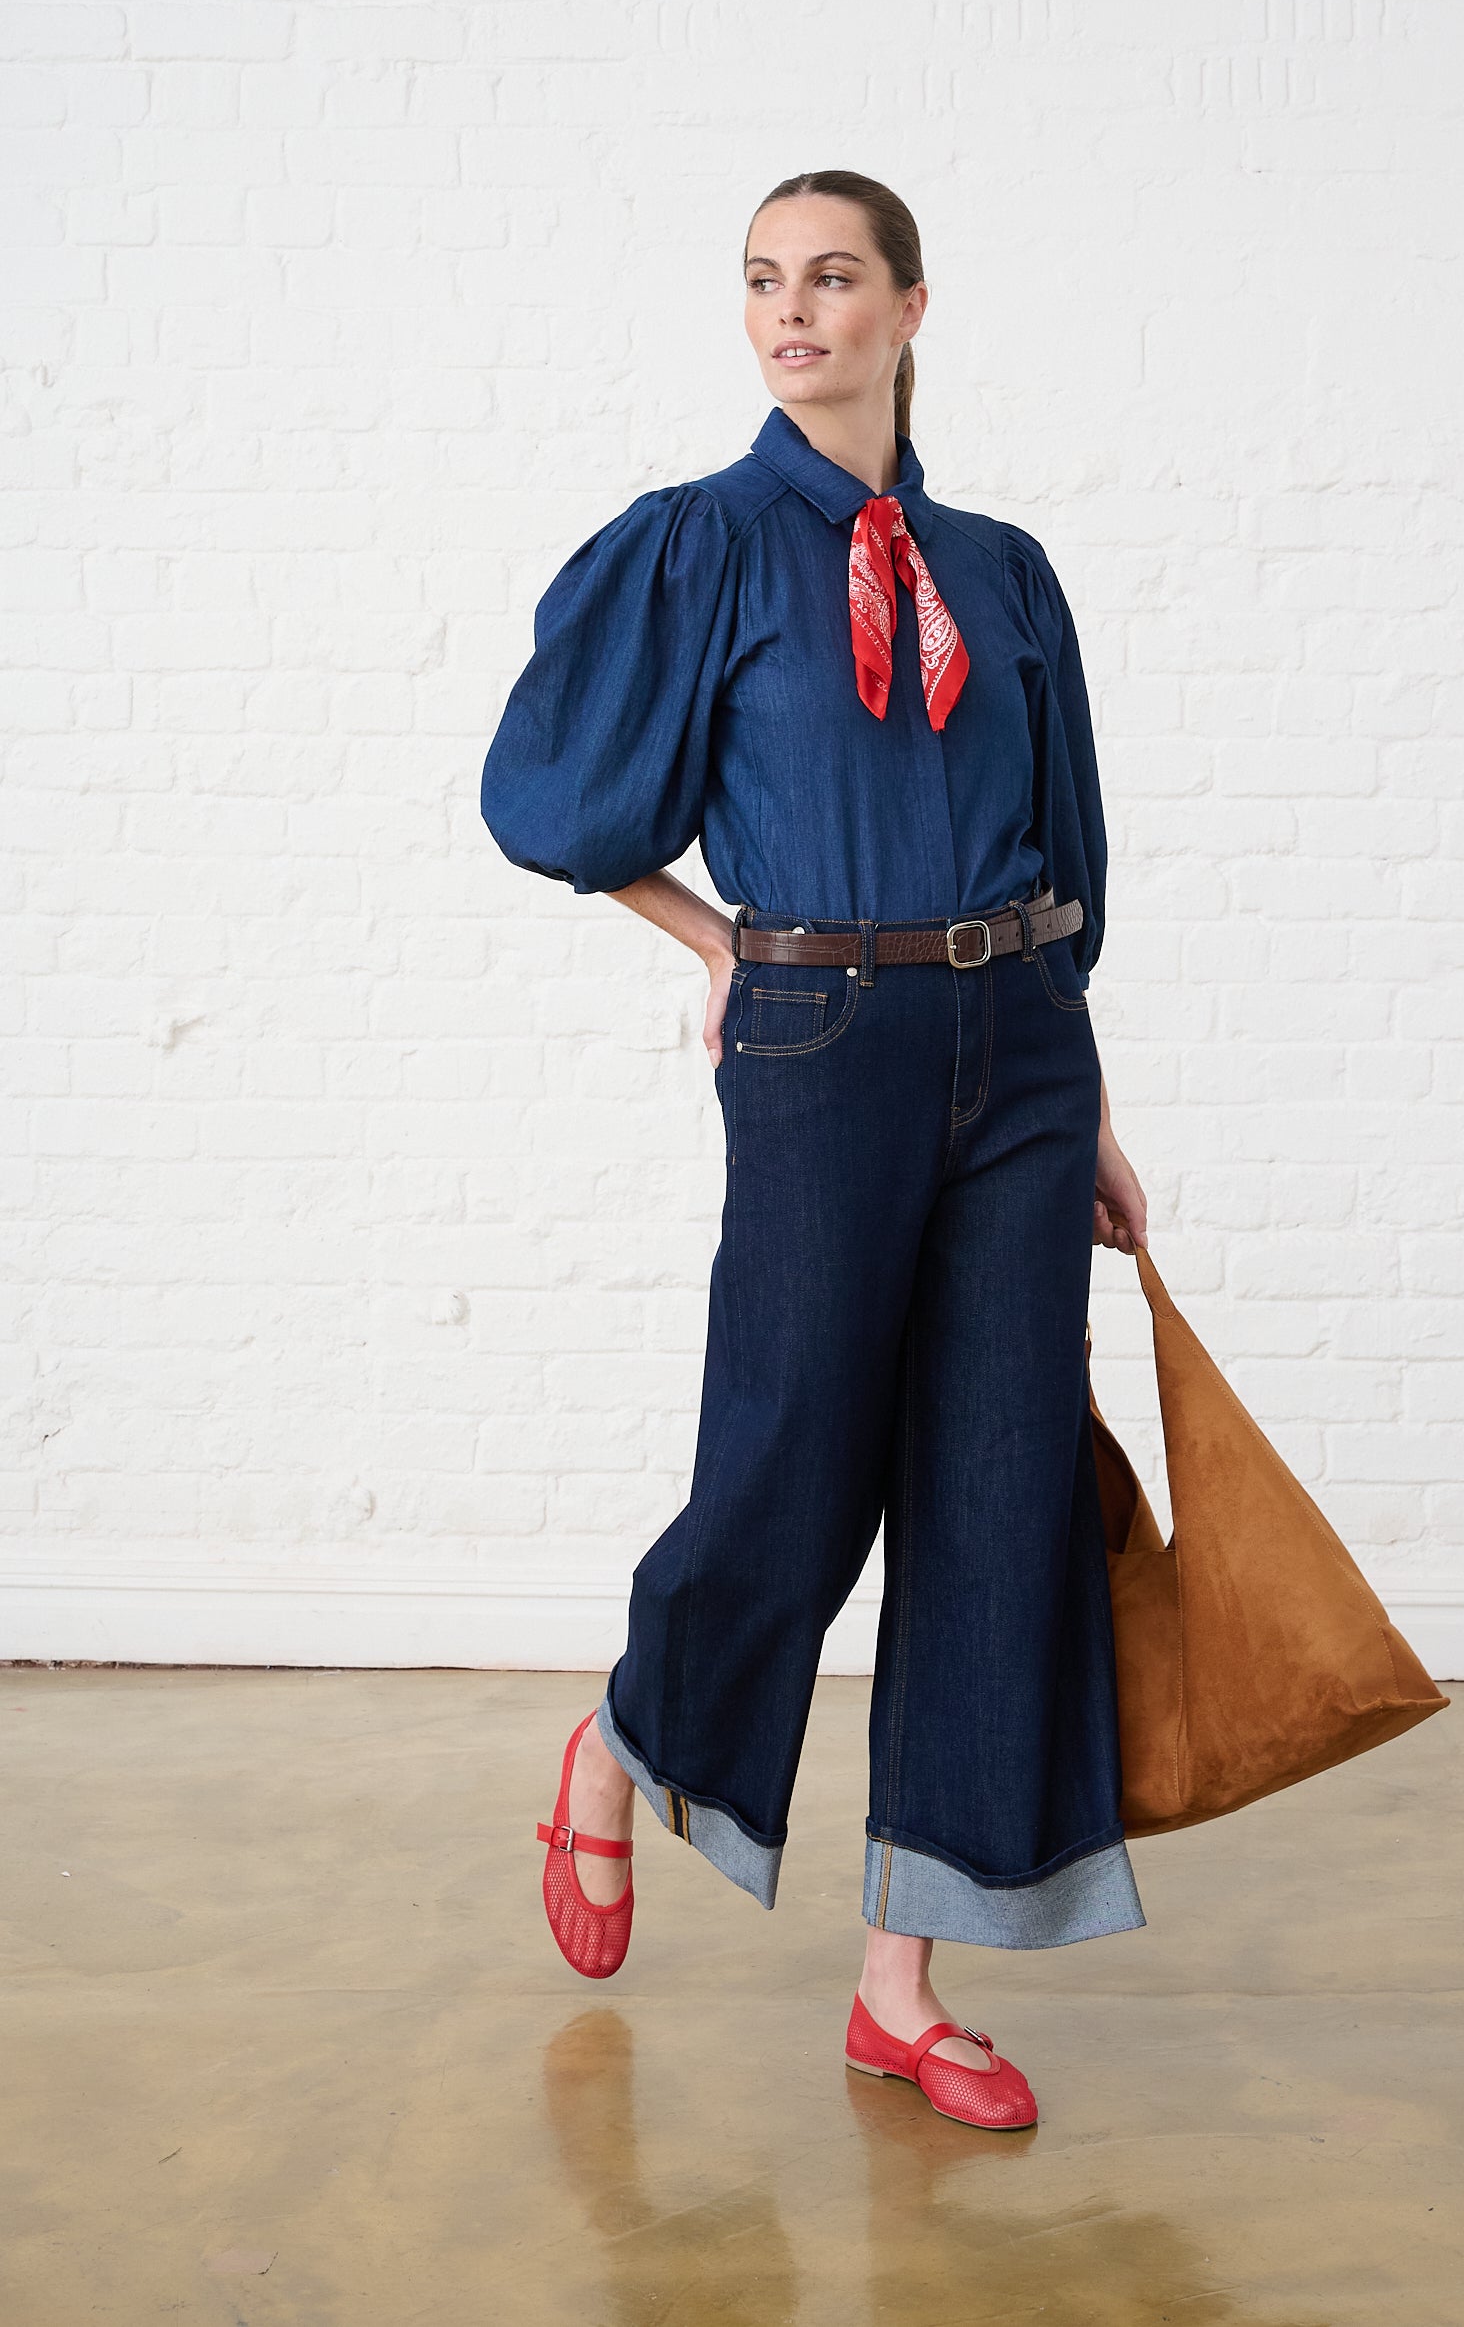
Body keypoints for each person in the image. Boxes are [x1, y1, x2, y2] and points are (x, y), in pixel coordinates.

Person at [480, 169, 1151, 2132]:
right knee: (791, 1458)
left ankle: (901, 1987)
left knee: (1001, 1486)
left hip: (1022, 1046)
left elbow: (1063, 856)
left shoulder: (1004, 573)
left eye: (833, 278)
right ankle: (627, 1738)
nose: (794, 312)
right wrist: (717, 942)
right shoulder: (699, 546)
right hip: (820, 1036)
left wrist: (1094, 1107)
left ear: (909, 308)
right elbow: (553, 801)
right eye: (766, 281)